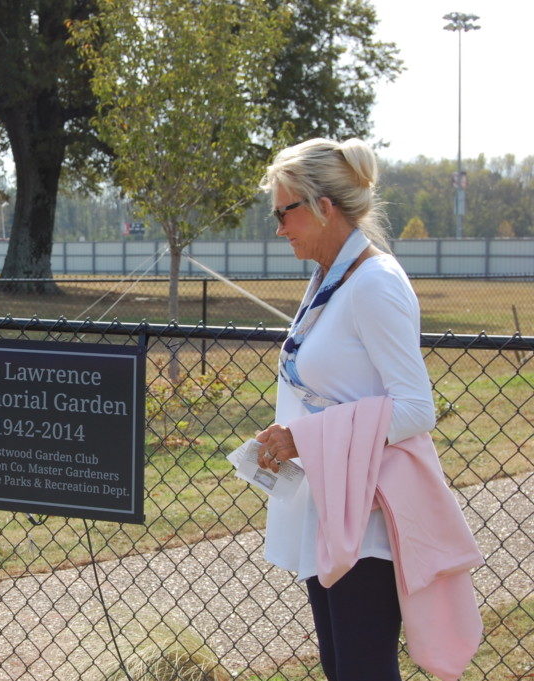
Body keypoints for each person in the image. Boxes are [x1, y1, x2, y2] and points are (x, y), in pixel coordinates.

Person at [253, 138, 481, 681]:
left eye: (284, 212)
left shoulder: (375, 284)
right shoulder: (331, 279)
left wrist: (305, 439)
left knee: (362, 670)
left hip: (369, 516)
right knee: (343, 669)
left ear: (323, 206)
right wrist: (293, 437)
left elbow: (415, 410)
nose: (279, 227)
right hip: (332, 505)